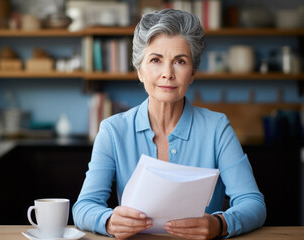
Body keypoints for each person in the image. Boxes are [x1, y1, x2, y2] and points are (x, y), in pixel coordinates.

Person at [73, 8, 266, 240]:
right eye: (155, 60)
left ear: (192, 73)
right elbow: (84, 207)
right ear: (140, 71)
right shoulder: (113, 130)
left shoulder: (217, 128)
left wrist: (220, 224)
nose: (167, 73)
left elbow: (253, 203)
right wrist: (109, 221)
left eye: (180, 61)